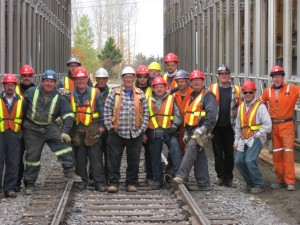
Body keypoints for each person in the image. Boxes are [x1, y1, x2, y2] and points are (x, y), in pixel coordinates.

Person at [23, 69, 82, 195]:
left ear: (55, 84)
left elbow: (69, 115)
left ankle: (68, 171)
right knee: (32, 156)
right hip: (32, 128)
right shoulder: (31, 92)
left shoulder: (59, 98)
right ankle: (30, 183)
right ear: (42, 82)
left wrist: (65, 131)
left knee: (64, 145)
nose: (49, 84)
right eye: (46, 81)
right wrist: (21, 128)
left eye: (51, 81)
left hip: (49, 127)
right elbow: (21, 108)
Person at [104, 66, 149, 193]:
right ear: (122, 79)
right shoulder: (114, 92)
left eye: (131, 77)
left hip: (135, 132)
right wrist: (109, 127)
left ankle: (131, 183)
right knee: (114, 159)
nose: (128, 79)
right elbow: (107, 110)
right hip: (117, 132)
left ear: (134, 79)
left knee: (134, 160)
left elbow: (146, 112)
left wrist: (142, 128)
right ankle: (113, 183)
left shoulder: (140, 93)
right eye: (126, 77)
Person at [173, 70, 217, 191]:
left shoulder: (208, 95)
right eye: (194, 81)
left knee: (191, 147)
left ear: (203, 81)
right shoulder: (193, 95)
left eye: (198, 80)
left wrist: (201, 130)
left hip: (202, 130)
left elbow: (212, 116)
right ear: (190, 83)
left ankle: (182, 175)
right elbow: (188, 115)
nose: (196, 82)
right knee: (199, 155)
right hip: (192, 130)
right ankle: (204, 183)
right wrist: (187, 132)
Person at [259, 65, 300, 191]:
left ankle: (290, 181)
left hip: (287, 125)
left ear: (283, 77)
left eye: (279, 76)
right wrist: (265, 119)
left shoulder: (291, 89)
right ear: (272, 78)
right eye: (274, 77)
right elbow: (260, 103)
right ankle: (280, 180)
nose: (277, 79)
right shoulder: (268, 91)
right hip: (274, 126)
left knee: (288, 153)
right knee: (277, 154)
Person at [70, 67, 106, 192]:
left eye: (83, 78)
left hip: (93, 129)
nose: (81, 81)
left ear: (87, 79)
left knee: (96, 158)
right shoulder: (71, 95)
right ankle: (81, 182)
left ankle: (99, 182)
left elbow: (102, 112)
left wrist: (102, 126)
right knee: (80, 158)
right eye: (78, 79)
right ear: (75, 80)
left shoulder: (96, 93)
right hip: (78, 130)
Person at [234, 80, 272, 194]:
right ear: (243, 93)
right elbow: (237, 127)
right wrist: (236, 141)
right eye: (245, 92)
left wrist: (259, 134)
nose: (248, 95)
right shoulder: (241, 107)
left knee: (249, 160)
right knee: (239, 161)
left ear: (254, 92)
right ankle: (250, 183)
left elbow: (268, 125)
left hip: (256, 138)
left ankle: (259, 184)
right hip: (244, 138)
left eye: (250, 92)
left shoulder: (260, 107)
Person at [147, 77, 182, 189]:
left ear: (165, 88)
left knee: (175, 149)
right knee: (155, 157)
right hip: (154, 132)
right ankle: (158, 180)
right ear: (153, 89)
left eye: (161, 87)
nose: (159, 89)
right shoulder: (148, 100)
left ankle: (179, 176)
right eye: (157, 87)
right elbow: (143, 116)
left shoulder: (171, 99)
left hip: (168, 131)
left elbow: (177, 114)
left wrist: (174, 126)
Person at [209, 64, 241, 187]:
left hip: (230, 127)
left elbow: (241, 107)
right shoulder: (212, 89)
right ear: (218, 76)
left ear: (230, 76)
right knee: (217, 153)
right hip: (216, 127)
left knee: (229, 153)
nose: (224, 76)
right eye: (222, 74)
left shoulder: (236, 90)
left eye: (226, 74)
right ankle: (220, 177)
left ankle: (228, 178)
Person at [0, 74, 26, 198]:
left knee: (13, 161)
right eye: (7, 85)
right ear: (3, 86)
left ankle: (9, 188)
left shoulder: (22, 100)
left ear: (15, 86)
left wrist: (23, 133)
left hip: (15, 134)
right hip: (1, 133)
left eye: (12, 85)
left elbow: (25, 117)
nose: (9, 87)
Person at [15, 64, 36, 192]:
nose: (27, 78)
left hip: (31, 130)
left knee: (31, 157)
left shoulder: (37, 90)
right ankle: (16, 182)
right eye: (24, 76)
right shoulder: (14, 89)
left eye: (29, 76)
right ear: (21, 76)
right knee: (17, 157)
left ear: (32, 77)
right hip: (17, 129)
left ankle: (29, 181)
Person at [135, 65, 153, 187]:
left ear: (148, 77)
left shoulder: (153, 89)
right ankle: (133, 179)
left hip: (150, 124)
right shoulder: (132, 89)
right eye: (140, 77)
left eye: (145, 77)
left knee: (150, 153)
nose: (142, 79)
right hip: (136, 125)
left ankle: (150, 176)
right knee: (134, 153)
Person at [93, 67, 111, 183]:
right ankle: (93, 175)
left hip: (108, 127)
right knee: (95, 153)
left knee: (109, 152)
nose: (101, 81)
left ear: (107, 79)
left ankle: (109, 176)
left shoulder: (112, 93)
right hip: (94, 127)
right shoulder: (91, 92)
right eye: (99, 79)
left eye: (103, 79)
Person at [174, 70, 193, 154]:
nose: (180, 83)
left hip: (190, 126)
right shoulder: (174, 95)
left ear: (187, 81)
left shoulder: (193, 94)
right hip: (179, 126)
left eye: (182, 81)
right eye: (178, 82)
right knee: (179, 147)